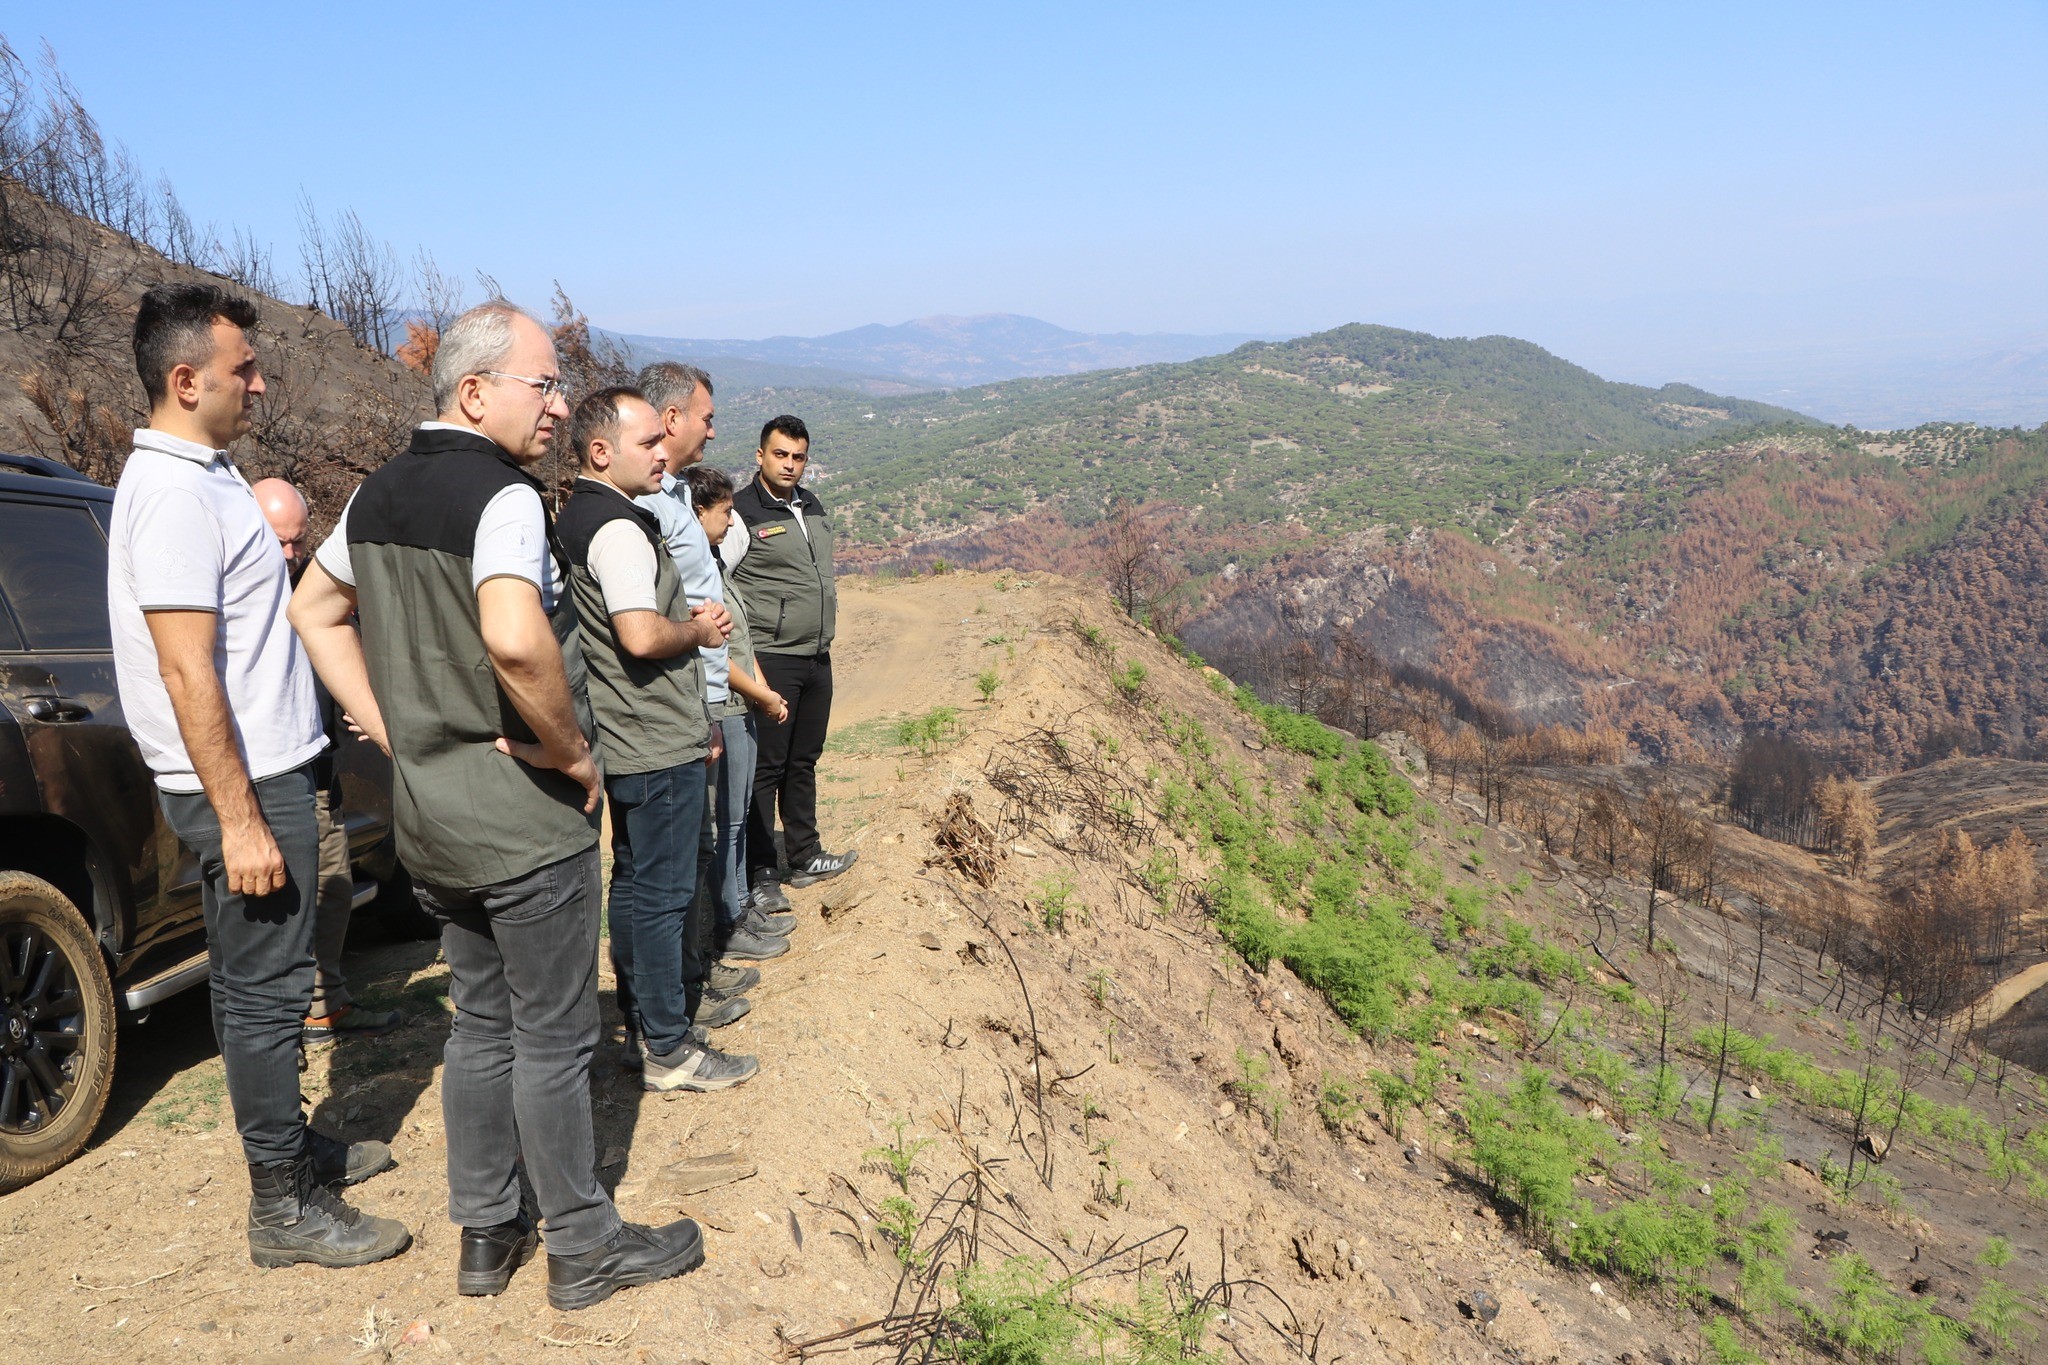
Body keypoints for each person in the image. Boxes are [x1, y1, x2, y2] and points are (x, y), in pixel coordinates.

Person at [289, 300, 702, 1310]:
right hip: (520, 814)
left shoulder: (377, 494)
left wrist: (394, 730)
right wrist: (569, 754)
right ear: (474, 392)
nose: (558, 404)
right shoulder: (506, 498)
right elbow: (517, 642)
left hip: (433, 814)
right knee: (555, 1039)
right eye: (542, 383)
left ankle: (485, 1234)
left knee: (480, 1025)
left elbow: (312, 606)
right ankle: (583, 1244)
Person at [108, 283, 408, 1269]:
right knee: (265, 991)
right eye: (244, 368)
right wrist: (240, 819)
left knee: (259, 988)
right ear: (185, 379)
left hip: (269, 771)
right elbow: (186, 667)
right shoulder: (171, 497)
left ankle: (292, 1153)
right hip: (246, 786)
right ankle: (280, 1204)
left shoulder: (207, 477)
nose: (261, 383)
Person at [557, 386, 758, 1091]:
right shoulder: (615, 527)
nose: (661, 452)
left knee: (641, 884)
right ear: (602, 451)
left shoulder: (587, 515)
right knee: (665, 892)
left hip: (637, 735)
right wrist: (700, 630)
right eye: (646, 443)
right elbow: (639, 634)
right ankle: (669, 1046)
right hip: (653, 737)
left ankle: (651, 1026)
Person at [632, 362, 792, 960]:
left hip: (709, 700)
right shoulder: (647, 509)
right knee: (683, 853)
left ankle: (712, 945)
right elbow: (654, 620)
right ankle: (703, 957)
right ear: (671, 418)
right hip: (689, 708)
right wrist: (706, 708)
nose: (712, 431)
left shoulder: (672, 496)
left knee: (706, 839)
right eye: (707, 417)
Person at [249, 478, 400, 1045]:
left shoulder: (310, 584)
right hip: (273, 774)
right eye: (278, 542)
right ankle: (283, 1028)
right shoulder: (241, 597)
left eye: (297, 542)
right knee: (288, 909)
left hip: (320, 766)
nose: (290, 555)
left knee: (334, 886)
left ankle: (324, 1004)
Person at [722, 416, 858, 904]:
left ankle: (803, 854)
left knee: (804, 759)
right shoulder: (740, 513)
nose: (790, 465)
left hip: (816, 655)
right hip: (772, 657)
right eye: (781, 455)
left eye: (798, 457)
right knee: (767, 767)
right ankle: (761, 872)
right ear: (760, 455)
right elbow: (721, 583)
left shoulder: (811, 505)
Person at [681, 466, 791, 938]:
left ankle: (742, 904)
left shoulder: (715, 564)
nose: (731, 522)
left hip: (742, 704)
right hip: (726, 706)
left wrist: (763, 689)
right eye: (725, 512)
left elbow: (740, 644)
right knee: (726, 821)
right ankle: (730, 916)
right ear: (698, 512)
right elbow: (715, 658)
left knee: (740, 814)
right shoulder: (695, 578)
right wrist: (762, 694)